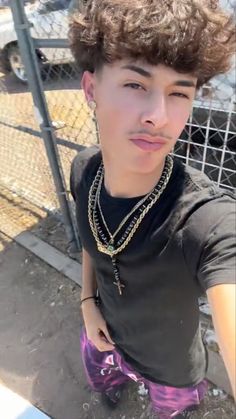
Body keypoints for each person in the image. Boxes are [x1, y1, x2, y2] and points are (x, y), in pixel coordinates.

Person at [68, 1, 236, 417]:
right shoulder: (84, 169)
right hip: (102, 336)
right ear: (91, 89)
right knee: (101, 379)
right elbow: (94, 235)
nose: (158, 117)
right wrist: (88, 301)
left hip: (171, 369)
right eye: (135, 84)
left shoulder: (207, 222)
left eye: (179, 92)